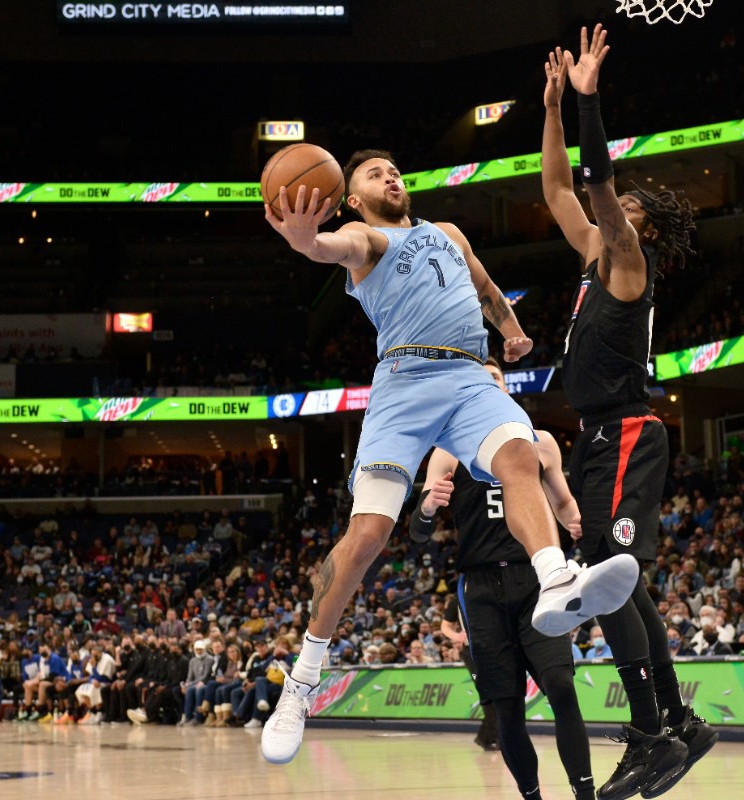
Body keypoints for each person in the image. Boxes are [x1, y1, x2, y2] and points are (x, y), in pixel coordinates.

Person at [259, 138, 640, 765]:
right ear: (352, 198)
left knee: (520, 456)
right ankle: (302, 680)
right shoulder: (366, 238)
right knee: (370, 533)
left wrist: (512, 330)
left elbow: (487, 288)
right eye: (376, 173)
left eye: (395, 168)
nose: (392, 175)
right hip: (405, 385)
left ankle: (555, 581)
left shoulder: (449, 232)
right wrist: (303, 237)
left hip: (469, 377)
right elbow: (326, 247)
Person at [540, 24, 715, 800]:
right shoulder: (591, 257)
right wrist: (549, 109)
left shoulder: (628, 261)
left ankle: (653, 734)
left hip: (628, 430)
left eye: (628, 208)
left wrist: (587, 101)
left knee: (611, 581)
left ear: (639, 226)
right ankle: (677, 723)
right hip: (598, 437)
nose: (613, 210)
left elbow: (598, 183)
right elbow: (556, 191)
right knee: (622, 582)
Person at [413, 357, 599, 800]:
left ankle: (585, 792)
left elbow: (566, 507)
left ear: (505, 386)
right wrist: (426, 506)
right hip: (479, 589)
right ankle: (532, 795)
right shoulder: (448, 448)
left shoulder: (542, 442)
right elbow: (418, 532)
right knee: (507, 707)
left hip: (536, 579)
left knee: (561, 685)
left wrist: (581, 525)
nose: (487, 384)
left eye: (494, 378)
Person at [440, 592, 499, 751]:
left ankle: (487, 736)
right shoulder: (457, 600)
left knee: (500, 694)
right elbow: (445, 625)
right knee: (488, 693)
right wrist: (457, 636)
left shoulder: (494, 592)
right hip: (473, 651)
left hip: (496, 649)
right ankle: (490, 737)